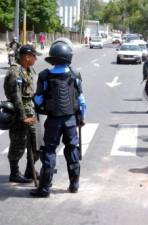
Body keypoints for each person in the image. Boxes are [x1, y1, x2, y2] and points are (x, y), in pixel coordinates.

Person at [30, 38, 87, 197]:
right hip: (70, 121)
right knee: (72, 151)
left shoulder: (45, 76)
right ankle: (74, 185)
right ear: (68, 57)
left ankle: (44, 189)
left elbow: (39, 99)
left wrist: (34, 101)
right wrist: (81, 118)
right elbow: (81, 101)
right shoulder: (75, 74)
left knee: (49, 152)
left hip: (53, 121)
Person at [3, 45, 41, 183]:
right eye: (34, 56)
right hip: (20, 113)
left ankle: (30, 171)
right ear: (26, 57)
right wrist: (23, 117)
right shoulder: (15, 72)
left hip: (31, 111)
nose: (36, 59)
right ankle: (14, 173)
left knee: (36, 144)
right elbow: (16, 96)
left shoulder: (27, 69)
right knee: (18, 144)